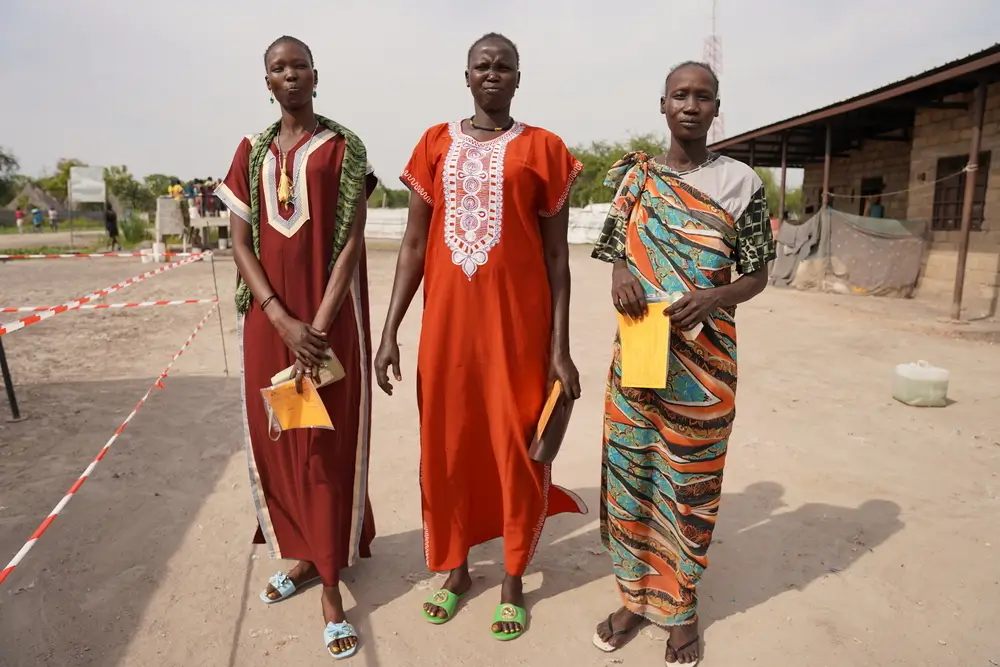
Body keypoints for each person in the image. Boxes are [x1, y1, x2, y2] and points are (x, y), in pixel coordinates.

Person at [374, 32, 587, 641]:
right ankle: (457, 568)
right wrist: (389, 331)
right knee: (449, 444)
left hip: (518, 331)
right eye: (482, 66)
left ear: (519, 77)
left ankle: (514, 578)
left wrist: (560, 348)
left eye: (504, 66)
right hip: (446, 332)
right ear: (465, 75)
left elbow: (557, 260)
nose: (492, 74)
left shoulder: (545, 149)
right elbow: (414, 245)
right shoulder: (434, 144)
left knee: (516, 446)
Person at [590, 61, 775, 665]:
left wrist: (714, 297)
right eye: (680, 95)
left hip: (706, 364)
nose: (691, 106)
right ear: (663, 104)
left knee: (689, 485)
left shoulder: (741, 183)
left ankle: (681, 607)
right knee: (632, 476)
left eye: (703, 97)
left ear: (717, 108)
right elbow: (615, 248)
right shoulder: (636, 178)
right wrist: (620, 275)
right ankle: (634, 597)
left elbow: (757, 274)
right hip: (638, 353)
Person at [215, 35, 378, 660]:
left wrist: (317, 328)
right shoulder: (250, 152)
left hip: (328, 327)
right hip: (270, 324)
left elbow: (351, 243)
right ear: (267, 81)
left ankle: (332, 589)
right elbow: (240, 243)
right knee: (283, 441)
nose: (290, 75)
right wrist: (281, 320)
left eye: (299, 65)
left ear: (315, 74)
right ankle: (306, 555)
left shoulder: (343, 148)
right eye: (278, 68)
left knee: (324, 445)